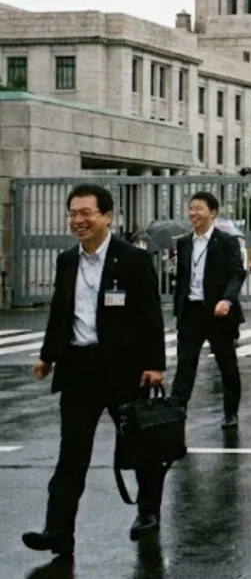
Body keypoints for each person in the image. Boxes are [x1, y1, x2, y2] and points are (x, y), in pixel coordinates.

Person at [23, 183, 168, 555]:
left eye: (86, 212)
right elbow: (60, 311)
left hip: (125, 371)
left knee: (139, 447)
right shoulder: (67, 260)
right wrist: (47, 355)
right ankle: (57, 531)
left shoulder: (131, 260)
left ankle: (148, 511)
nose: (78, 220)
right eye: (73, 213)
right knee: (71, 453)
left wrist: (155, 364)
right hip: (78, 370)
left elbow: (151, 314)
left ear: (107, 216)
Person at [170, 191, 246, 429]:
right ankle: (177, 410)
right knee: (185, 364)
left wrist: (227, 299)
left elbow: (237, 273)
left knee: (226, 363)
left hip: (218, 311)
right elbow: (181, 277)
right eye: (191, 208)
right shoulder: (183, 243)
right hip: (191, 311)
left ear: (212, 213)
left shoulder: (226, 242)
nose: (193, 213)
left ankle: (230, 412)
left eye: (199, 209)